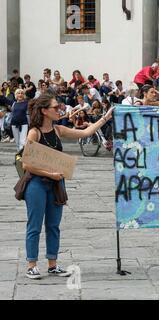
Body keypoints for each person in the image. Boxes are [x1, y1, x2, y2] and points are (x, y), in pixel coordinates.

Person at [22, 93, 114, 279]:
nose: (60, 110)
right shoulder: (34, 132)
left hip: (56, 183)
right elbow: (27, 165)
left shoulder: (58, 130)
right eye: (56, 108)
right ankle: (32, 264)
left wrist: (106, 117)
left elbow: (86, 132)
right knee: (35, 225)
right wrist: (50, 174)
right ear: (44, 111)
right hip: (37, 183)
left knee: (54, 225)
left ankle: (52, 264)